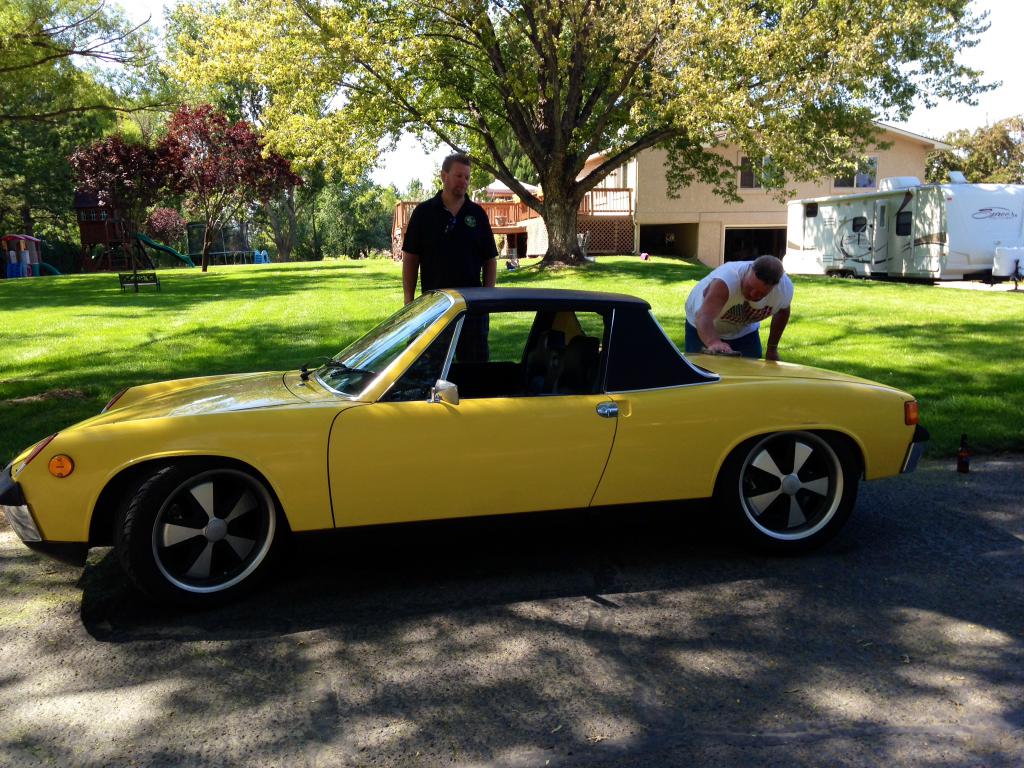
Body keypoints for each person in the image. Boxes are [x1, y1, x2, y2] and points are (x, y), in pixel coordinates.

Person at [402, 153, 498, 361]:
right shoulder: (424, 213)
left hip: (472, 307)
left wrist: (487, 297)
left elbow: (490, 259)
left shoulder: (477, 214)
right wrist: (409, 301)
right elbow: (410, 258)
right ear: (444, 176)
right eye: (459, 176)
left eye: (467, 177)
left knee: (475, 368)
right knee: (429, 366)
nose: (464, 181)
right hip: (435, 305)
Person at [684, 254, 793, 361]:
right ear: (749, 271)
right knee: (700, 369)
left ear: (775, 287)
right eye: (750, 287)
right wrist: (713, 342)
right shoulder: (726, 281)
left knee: (750, 371)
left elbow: (782, 312)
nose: (753, 294)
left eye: (761, 293)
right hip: (701, 324)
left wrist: (772, 348)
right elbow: (704, 316)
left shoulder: (784, 290)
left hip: (744, 330)